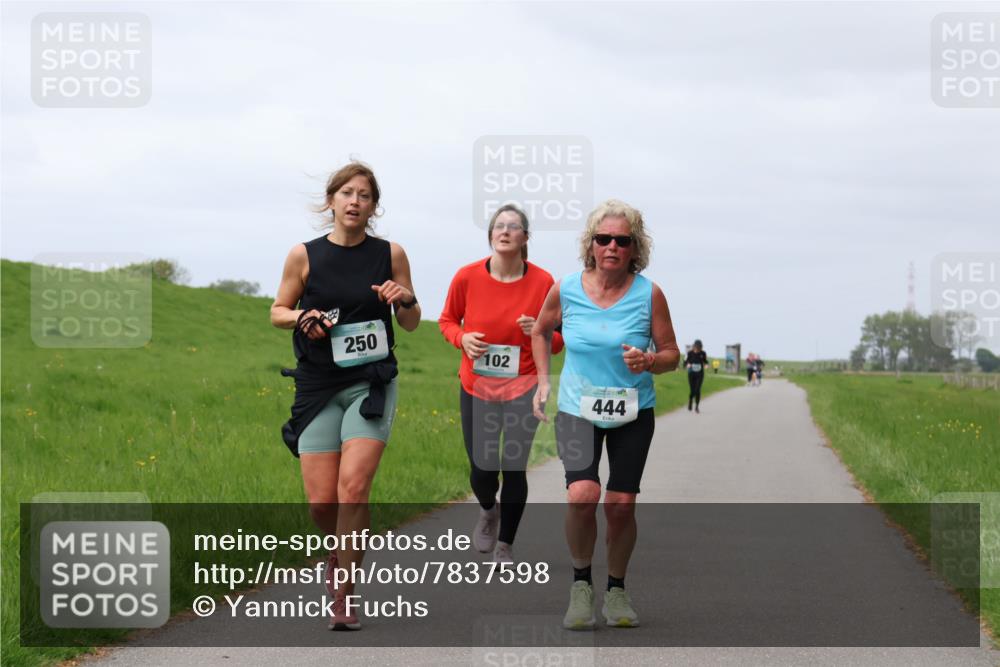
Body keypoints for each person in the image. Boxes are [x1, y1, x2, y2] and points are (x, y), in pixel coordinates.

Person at [270, 162, 420, 631]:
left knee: (352, 488)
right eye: (347, 193)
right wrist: (302, 318)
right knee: (322, 503)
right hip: (317, 385)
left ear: (374, 207)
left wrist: (405, 300)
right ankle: (339, 552)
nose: (355, 202)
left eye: (365, 196)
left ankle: (345, 595)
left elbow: (411, 323)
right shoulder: (304, 255)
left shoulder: (390, 254)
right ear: (332, 200)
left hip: (370, 382)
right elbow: (277, 310)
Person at [531, 199, 679, 630]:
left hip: (633, 410)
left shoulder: (649, 294)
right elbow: (541, 331)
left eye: (622, 240)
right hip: (577, 408)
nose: (612, 246)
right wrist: (544, 381)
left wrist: (650, 361)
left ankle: (616, 589)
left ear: (635, 248)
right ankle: (581, 586)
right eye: (603, 238)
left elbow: (671, 353)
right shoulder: (566, 289)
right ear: (591, 245)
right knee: (582, 494)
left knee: (620, 504)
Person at [439, 204, 563, 563]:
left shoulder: (543, 282)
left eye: (514, 227)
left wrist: (537, 330)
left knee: (513, 465)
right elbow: (447, 321)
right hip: (476, 386)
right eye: (498, 226)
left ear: (526, 238)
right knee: (482, 467)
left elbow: (557, 340)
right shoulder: (466, 277)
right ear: (491, 234)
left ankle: (505, 544)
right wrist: (462, 339)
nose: (505, 231)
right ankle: (488, 508)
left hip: (522, 387)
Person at [685, 339, 708, 413]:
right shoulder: (690, 353)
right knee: (692, 390)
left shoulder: (703, 353)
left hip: (700, 374)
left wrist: (706, 365)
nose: (698, 349)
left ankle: (697, 407)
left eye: (699, 347)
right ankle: (690, 400)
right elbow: (685, 361)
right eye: (696, 347)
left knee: (697, 390)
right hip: (691, 374)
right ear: (694, 346)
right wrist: (687, 364)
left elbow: (705, 361)